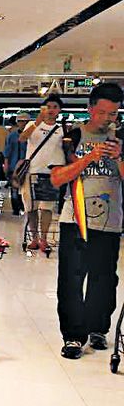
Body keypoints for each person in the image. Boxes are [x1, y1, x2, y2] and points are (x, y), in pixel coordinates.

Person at [49, 82, 124, 359]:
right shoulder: (71, 137)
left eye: (113, 113)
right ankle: (72, 336)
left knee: (104, 279)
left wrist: (117, 158)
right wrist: (90, 157)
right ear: (90, 108)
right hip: (75, 220)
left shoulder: (121, 138)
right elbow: (57, 177)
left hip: (111, 222)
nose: (107, 119)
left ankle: (98, 330)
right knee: (71, 278)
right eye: (102, 112)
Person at [20, 96, 66, 251]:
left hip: (52, 173)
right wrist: (37, 122)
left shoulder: (62, 128)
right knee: (31, 208)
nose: (51, 110)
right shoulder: (32, 125)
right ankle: (34, 238)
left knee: (47, 208)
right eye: (48, 107)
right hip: (32, 171)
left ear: (59, 110)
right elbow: (22, 138)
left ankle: (43, 239)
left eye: (55, 107)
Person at [4, 113, 30, 214]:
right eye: (20, 121)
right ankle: (16, 209)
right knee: (14, 189)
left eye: (25, 122)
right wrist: (6, 164)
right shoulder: (11, 136)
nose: (22, 124)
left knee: (26, 189)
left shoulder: (32, 135)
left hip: (28, 166)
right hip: (13, 165)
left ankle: (25, 208)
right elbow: (7, 151)